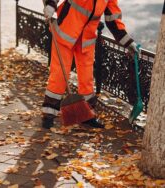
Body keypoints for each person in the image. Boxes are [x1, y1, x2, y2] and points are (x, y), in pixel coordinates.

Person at [42, 0, 139, 129]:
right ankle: (48, 115)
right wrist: (50, 4)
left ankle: (86, 116)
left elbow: (113, 19)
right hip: (65, 33)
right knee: (59, 75)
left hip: (86, 40)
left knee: (87, 80)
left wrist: (128, 42)